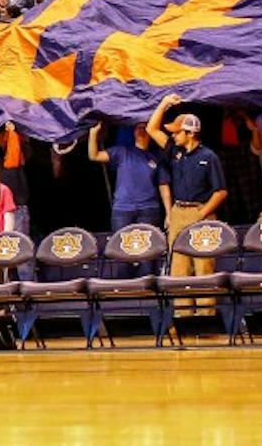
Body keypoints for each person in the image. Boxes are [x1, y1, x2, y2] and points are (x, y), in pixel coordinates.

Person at [146, 96, 228, 314]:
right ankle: (182, 318)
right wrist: (163, 104)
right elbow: (151, 129)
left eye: (177, 132)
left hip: (202, 213)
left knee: (203, 269)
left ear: (191, 133)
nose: (173, 135)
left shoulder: (209, 157)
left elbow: (221, 192)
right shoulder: (175, 151)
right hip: (179, 212)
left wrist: (202, 213)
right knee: (178, 269)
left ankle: (206, 318)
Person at [87, 122, 166, 230]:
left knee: (149, 245)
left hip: (148, 209)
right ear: (133, 132)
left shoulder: (157, 156)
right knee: (121, 244)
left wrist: (169, 213)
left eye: (145, 128)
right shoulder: (122, 152)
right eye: (139, 128)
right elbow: (94, 156)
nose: (142, 130)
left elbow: (163, 184)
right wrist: (93, 133)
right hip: (123, 209)